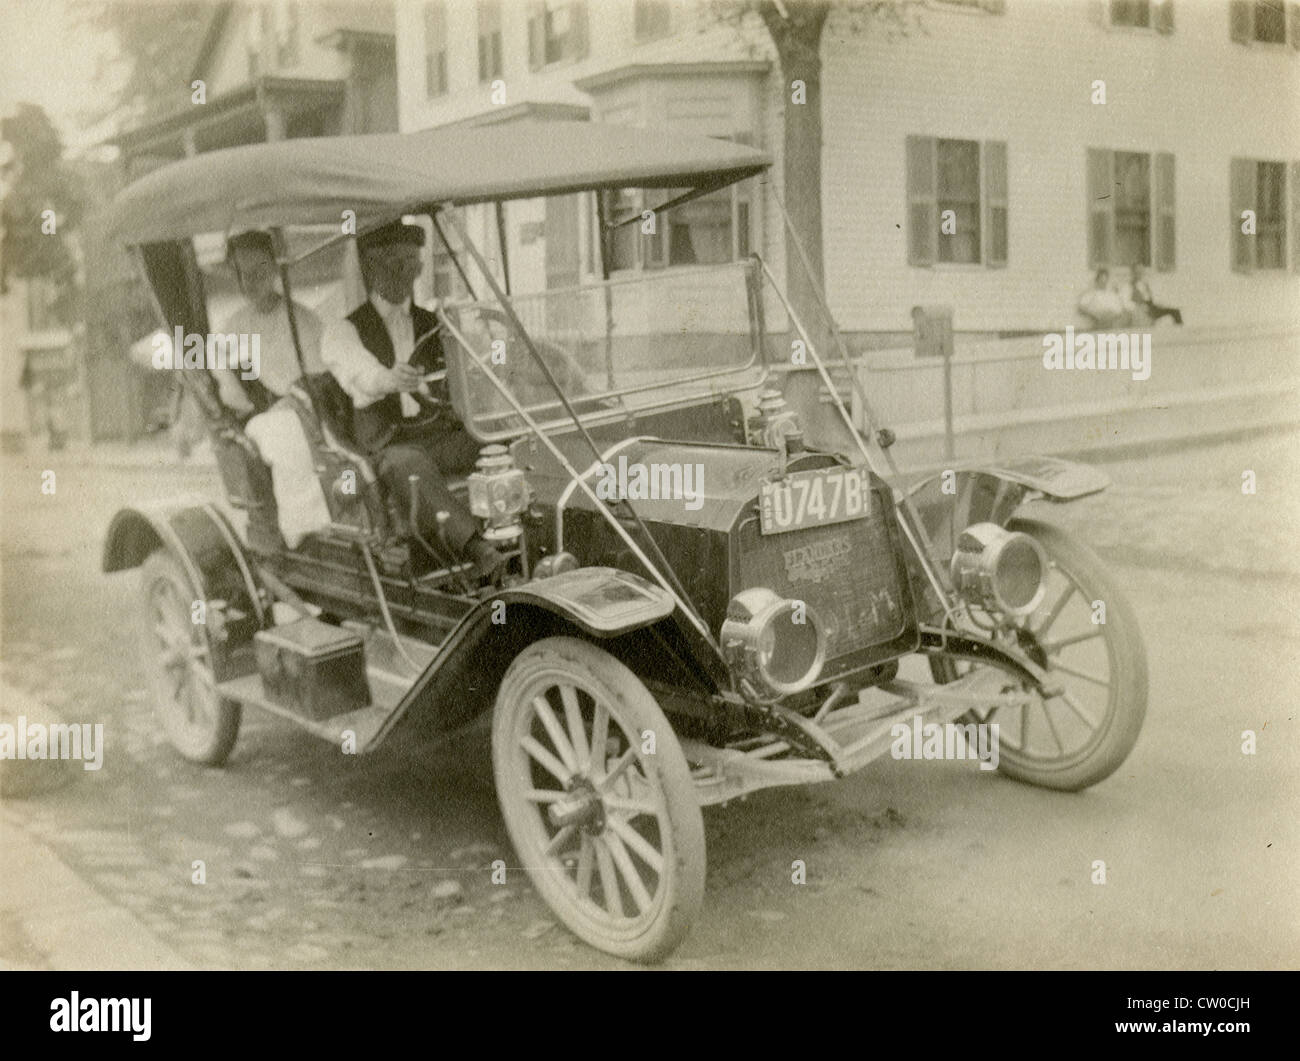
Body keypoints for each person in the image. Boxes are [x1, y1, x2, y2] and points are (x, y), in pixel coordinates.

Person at [320, 219, 504, 580]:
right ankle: (478, 549)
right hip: (385, 444)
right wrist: (390, 379)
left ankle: (522, 525)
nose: (405, 274)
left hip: (435, 435)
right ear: (371, 267)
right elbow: (361, 374)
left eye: (411, 264)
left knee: (496, 440)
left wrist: (490, 345)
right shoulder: (343, 331)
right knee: (407, 465)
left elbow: (468, 368)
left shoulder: (434, 321)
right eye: (394, 263)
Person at [212, 230, 325, 417]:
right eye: (243, 273)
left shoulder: (304, 322)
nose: (250, 282)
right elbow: (214, 360)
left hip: (306, 414)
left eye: (259, 271)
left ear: (274, 269)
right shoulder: (236, 323)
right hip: (262, 416)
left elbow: (320, 385)